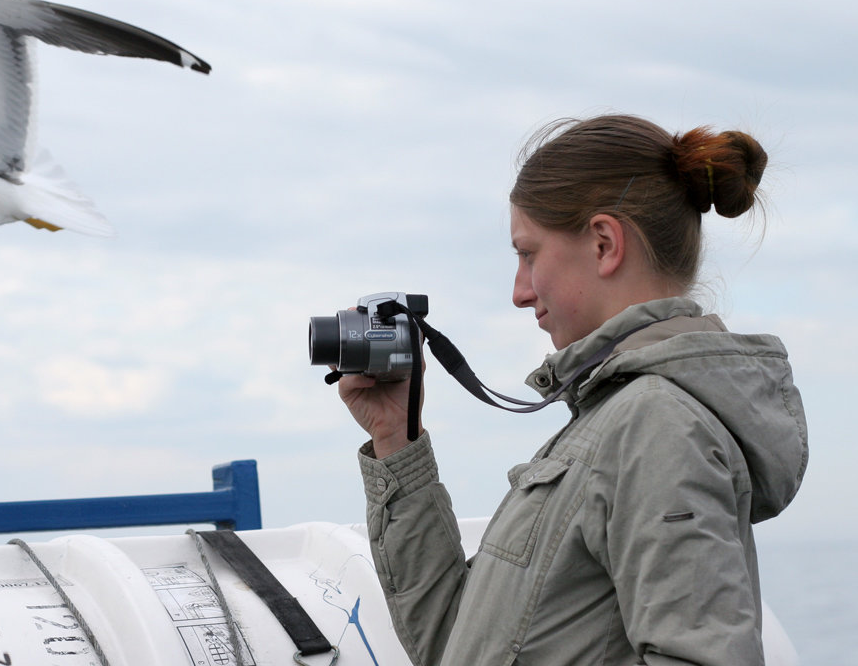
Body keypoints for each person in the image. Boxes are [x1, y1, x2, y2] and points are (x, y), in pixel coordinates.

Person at [336, 114, 809, 665]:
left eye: (528, 253)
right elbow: (456, 643)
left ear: (605, 244)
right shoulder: (614, 421)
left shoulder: (655, 425)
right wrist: (396, 435)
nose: (519, 291)